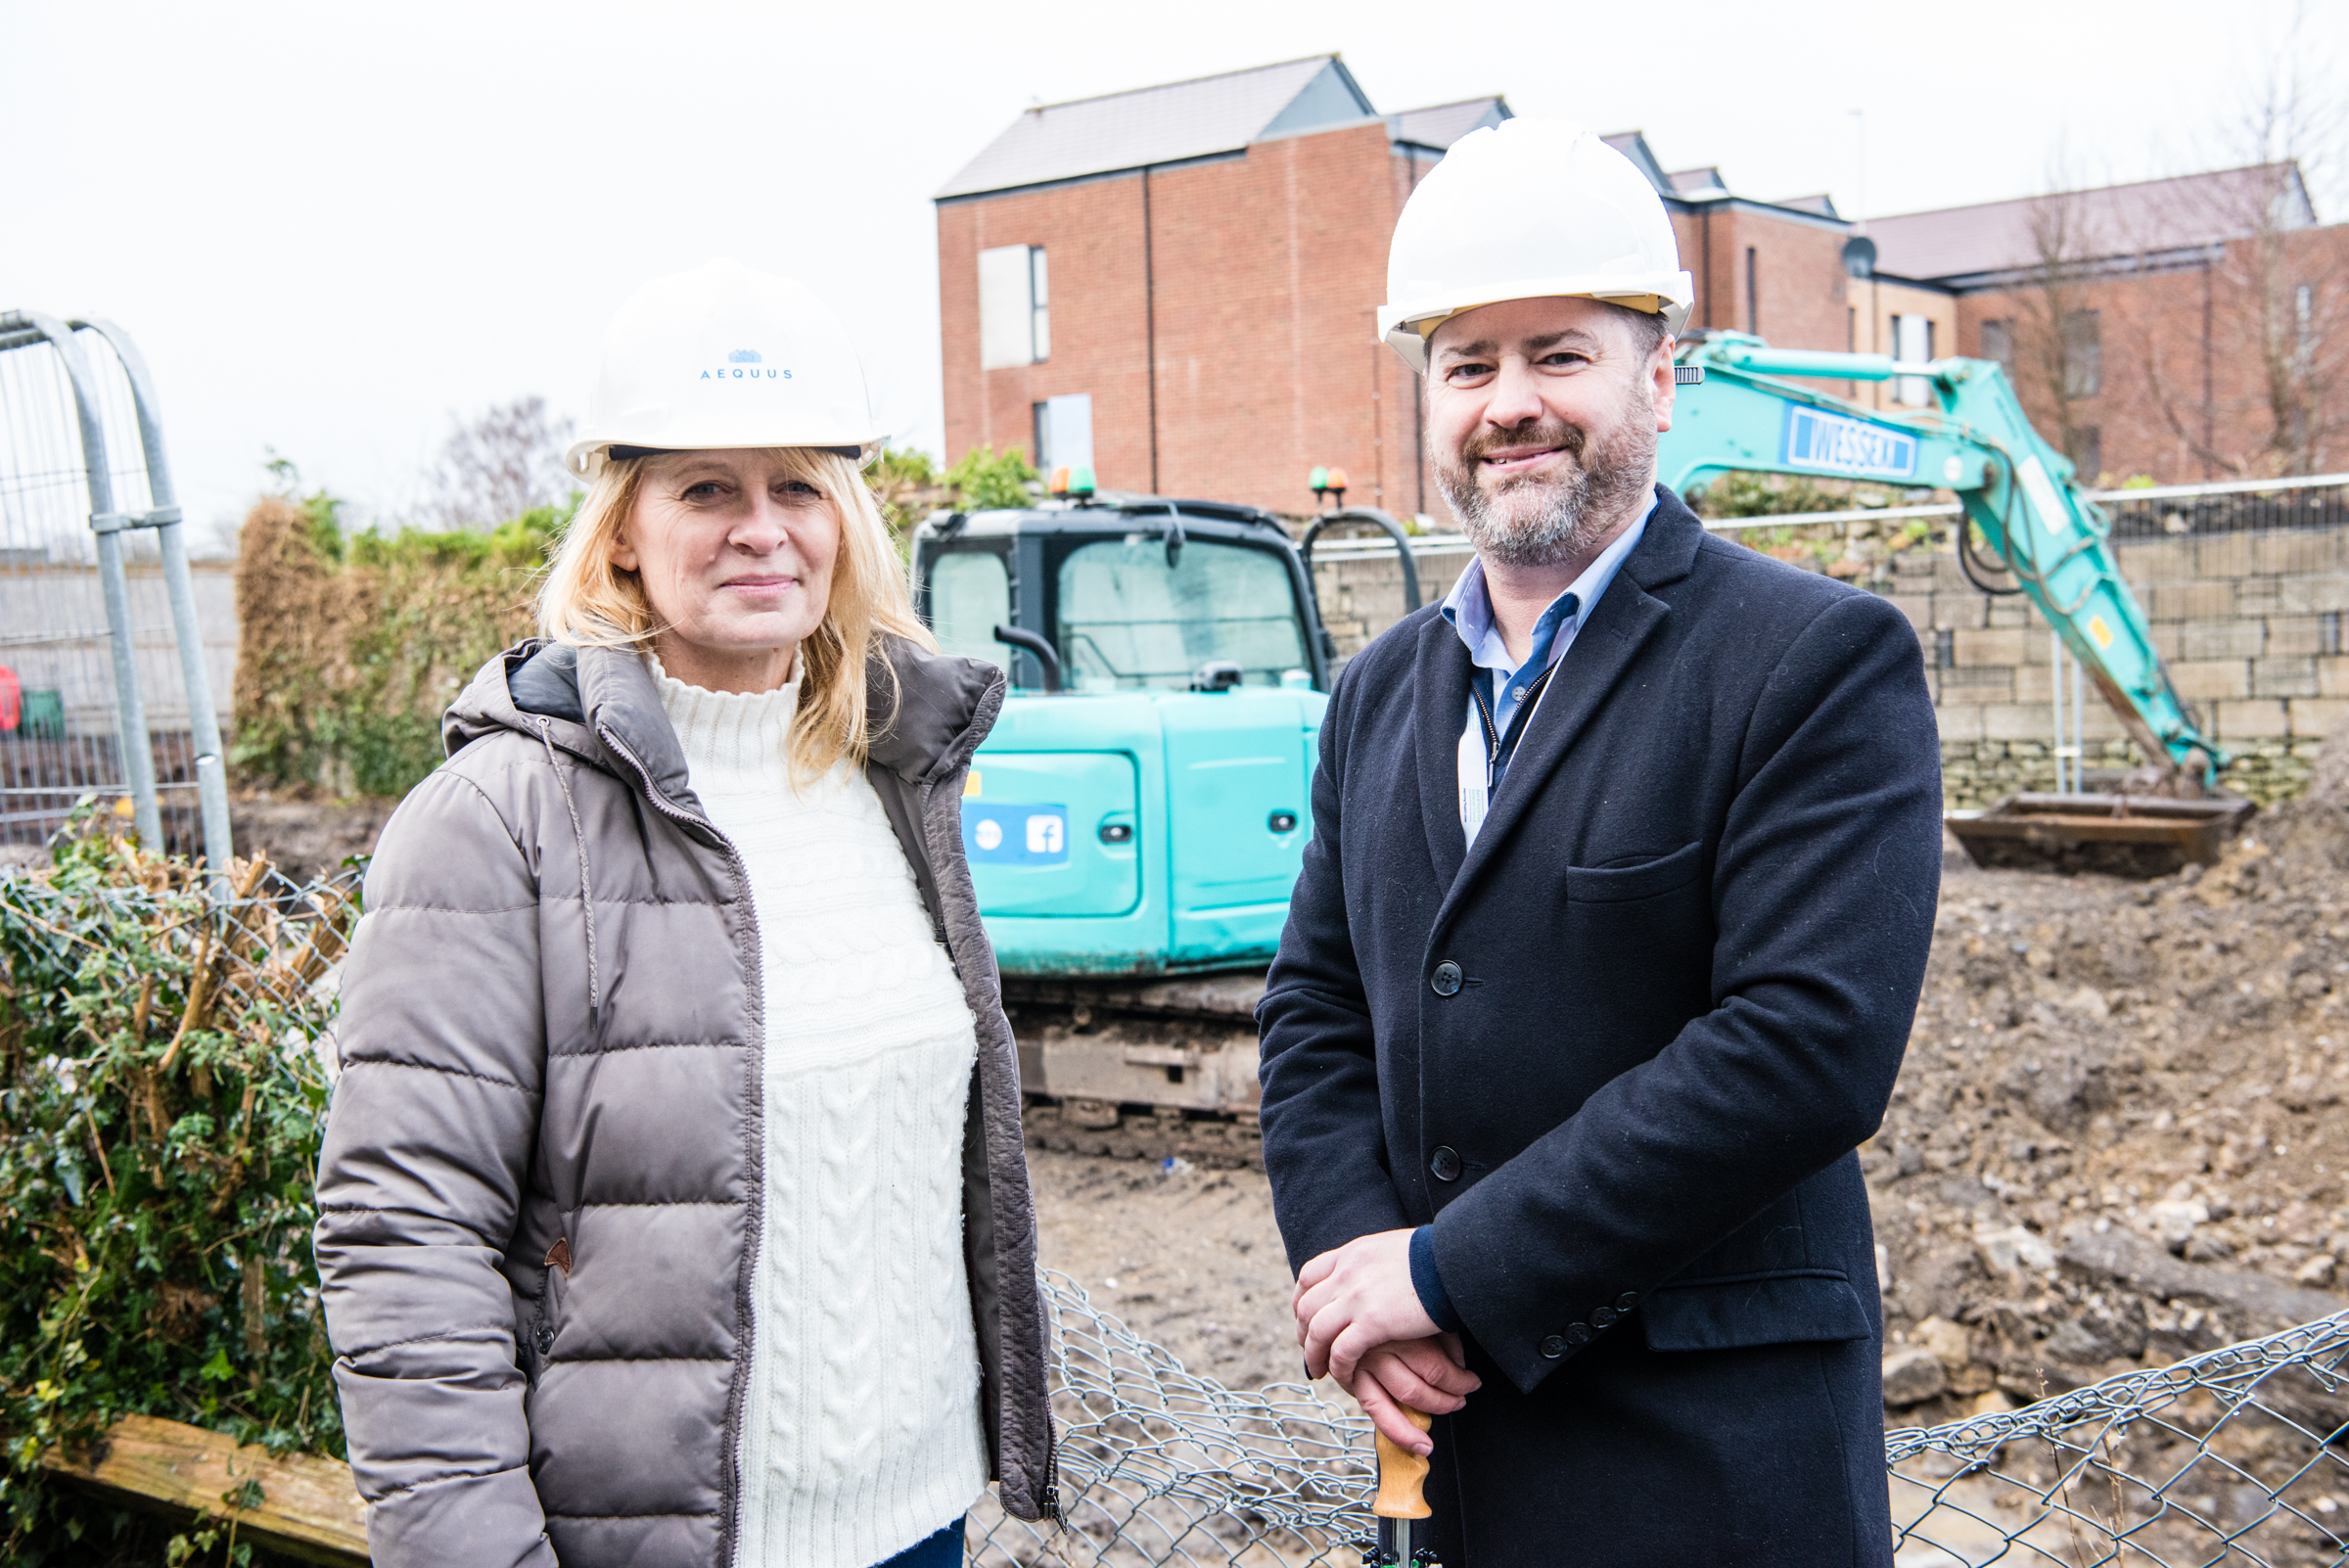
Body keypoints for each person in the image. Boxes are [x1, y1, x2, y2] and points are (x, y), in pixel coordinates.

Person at [1258, 121, 1942, 1565]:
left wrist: (1447, 1270)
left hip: (1705, 1464)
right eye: (1468, 365)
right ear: (1428, 400)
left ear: (1661, 377)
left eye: (1558, 354)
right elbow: (1317, 1005)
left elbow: (1802, 1045)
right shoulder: (1380, 688)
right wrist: (1354, 1278)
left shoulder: (1812, 657)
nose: (1511, 403)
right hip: (1457, 1452)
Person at [314, 258, 1056, 1568]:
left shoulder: (889, 779)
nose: (763, 527)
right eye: (706, 487)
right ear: (619, 531)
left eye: (799, 485)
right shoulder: (496, 819)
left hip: (923, 1523)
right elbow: (406, 1232)